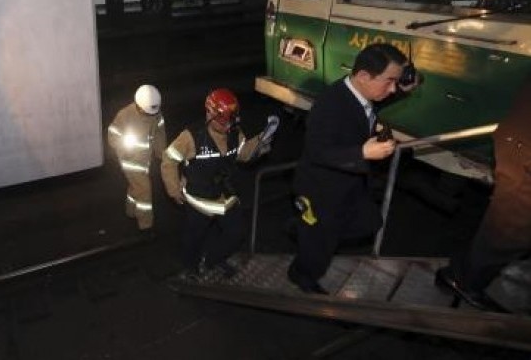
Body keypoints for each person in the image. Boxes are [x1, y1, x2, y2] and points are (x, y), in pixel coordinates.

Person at [288, 43, 417, 294]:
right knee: (320, 245)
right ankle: (301, 276)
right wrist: (362, 153)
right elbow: (317, 151)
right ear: (363, 76)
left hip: (348, 184)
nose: (393, 89)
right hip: (321, 190)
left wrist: (406, 84)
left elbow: (378, 102)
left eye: (396, 82)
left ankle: (302, 229)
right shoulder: (329, 105)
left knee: (369, 222)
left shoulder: (364, 93)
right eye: (389, 82)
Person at [435, 75, 531, 311]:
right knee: (510, 228)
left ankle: (461, 275)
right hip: (525, 150)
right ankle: (462, 280)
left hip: (521, 144)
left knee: (511, 225)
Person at [161, 88, 279, 279]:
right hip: (199, 201)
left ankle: (211, 260)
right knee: (193, 239)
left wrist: (261, 141)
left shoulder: (234, 131)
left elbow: (243, 154)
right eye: (223, 121)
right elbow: (169, 159)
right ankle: (190, 268)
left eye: (230, 121)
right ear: (209, 113)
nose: (227, 127)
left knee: (236, 233)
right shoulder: (191, 137)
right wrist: (174, 189)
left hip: (225, 197)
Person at [107, 84, 166, 231]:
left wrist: (162, 153)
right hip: (130, 160)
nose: (150, 115)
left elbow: (159, 134)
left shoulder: (156, 114)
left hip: (145, 160)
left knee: (137, 187)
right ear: (139, 106)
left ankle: (130, 211)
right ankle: (146, 225)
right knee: (145, 190)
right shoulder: (125, 115)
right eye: (146, 112)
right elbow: (112, 135)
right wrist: (123, 148)